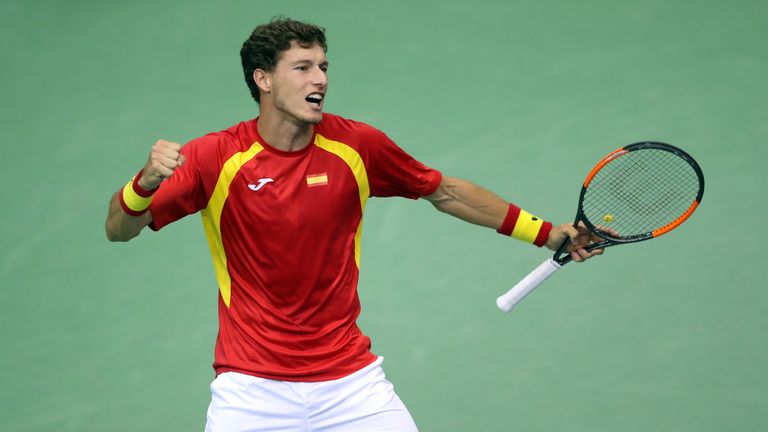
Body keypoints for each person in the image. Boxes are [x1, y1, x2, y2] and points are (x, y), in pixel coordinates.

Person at [105, 17, 603, 432]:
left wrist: (545, 232)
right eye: (302, 68)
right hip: (251, 390)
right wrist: (143, 183)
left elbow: (445, 191)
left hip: (350, 385)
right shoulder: (215, 157)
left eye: (323, 66)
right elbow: (119, 228)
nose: (319, 79)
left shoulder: (355, 147)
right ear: (264, 80)